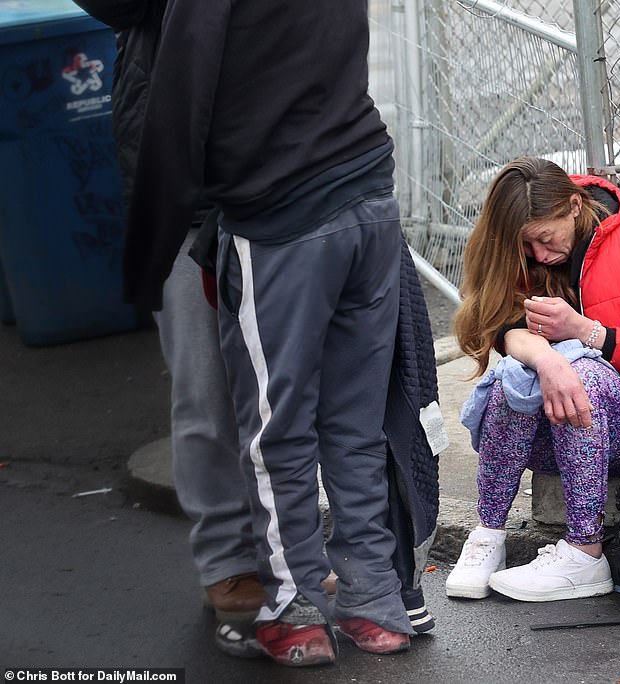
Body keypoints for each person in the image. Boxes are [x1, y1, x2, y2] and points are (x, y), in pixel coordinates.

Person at [77, 0, 441, 669]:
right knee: (344, 420)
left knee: (276, 430)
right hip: (357, 190)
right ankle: (366, 599)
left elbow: (180, 104)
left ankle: (291, 607)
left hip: (276, 213)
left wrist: (149, 257)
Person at [71, 0, 266, 657]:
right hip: (183, 198)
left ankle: (285, 552)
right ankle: (228, 560)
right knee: (205, 389)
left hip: (276, 185)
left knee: (279, 391)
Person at [448, 157, 620, 602]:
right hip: (552, 428)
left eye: (546, 239)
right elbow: (500, 329)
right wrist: (549, 361)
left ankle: (585, 552)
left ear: (574, 206)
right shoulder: (525, 252)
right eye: (528, 245)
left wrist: (584, 332)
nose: (540, 255)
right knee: (514, 377)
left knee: (583, 373)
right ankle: (488, 535)